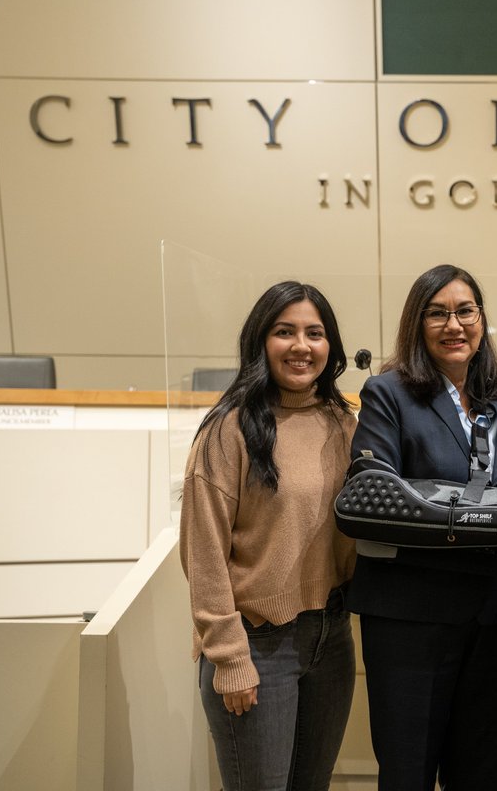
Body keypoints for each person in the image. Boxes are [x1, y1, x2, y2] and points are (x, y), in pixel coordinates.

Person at [343, 264, 497, 791]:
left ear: (481, 320)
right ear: (418, 323)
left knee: (481, 774)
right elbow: (374, 499)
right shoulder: (388, 394)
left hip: (493, 618)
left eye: (465, 311)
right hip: (411, 620)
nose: (453, 324)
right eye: (437, 313)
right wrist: (480, 522)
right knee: (408, 772)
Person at [180, 280, 357, 790]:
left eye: (315, 333)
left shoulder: (342, 424)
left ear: (331, 346)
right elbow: (203, 553)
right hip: (257, 646)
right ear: (261, 341)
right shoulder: (228, 430)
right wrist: (229, 657)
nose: (302, 346)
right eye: (286, 332)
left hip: (332, 639)